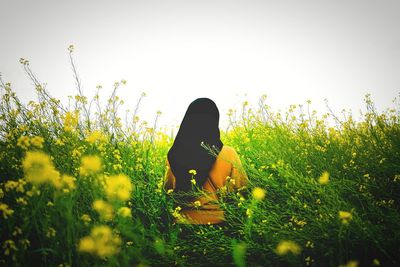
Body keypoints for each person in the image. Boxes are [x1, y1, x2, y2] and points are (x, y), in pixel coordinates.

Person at [163, 98, 248, 227]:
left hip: (182, 226)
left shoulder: (174, 155)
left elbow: (168, 190)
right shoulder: (228, 154)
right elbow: (242, 189)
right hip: (218, 225)